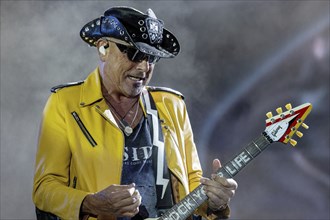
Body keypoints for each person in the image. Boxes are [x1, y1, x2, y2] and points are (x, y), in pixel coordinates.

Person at [32, 6, 238, 220]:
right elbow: (45, 189)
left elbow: (191, 180)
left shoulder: (172, 105)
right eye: (134, 53)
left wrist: (215, 202)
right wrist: (91, 203)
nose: (143, 67)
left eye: (151, 58)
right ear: (103, 48)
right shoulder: (65, 103)